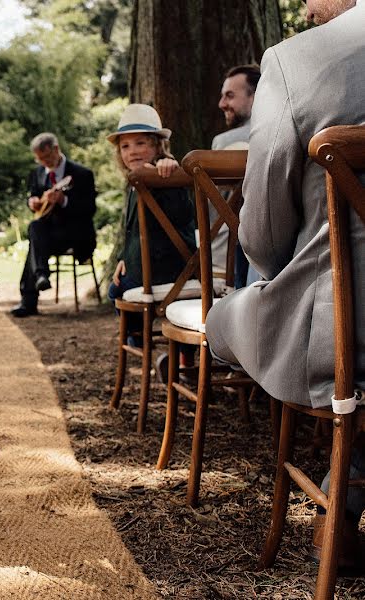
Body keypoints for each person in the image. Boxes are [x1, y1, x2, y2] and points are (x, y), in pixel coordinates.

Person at [205, 0, 364, 565]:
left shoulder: (298, 59)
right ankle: (343, 504)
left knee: (220, 319)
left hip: (343, 337)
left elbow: (265, 238)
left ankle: (338, 504)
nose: (303, 6)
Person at [106, 104, 196, 344]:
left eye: (140, 143)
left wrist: (168, 168)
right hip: (144, 267)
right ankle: (142, 340)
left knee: (114, 292)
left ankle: (137, 340)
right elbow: (133, 231)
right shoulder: (135, 181)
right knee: (116, 286)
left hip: (170, 269)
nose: (132, 151)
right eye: (125, 146)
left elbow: (182, 214)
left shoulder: (164, 173)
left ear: (157, 146)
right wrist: (123, 259)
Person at [10, 132, 97, 317]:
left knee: (35, 243)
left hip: (75, 235)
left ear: (56, 149)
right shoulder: (38, 173)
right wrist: (32, 202)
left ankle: (29, 300)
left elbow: (90, 209)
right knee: (35, 228)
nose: (44, 163)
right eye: (40, 159)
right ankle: (41, 276)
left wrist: (64, 200)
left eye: (47, 157)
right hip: (48, 236)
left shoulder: (82, 174)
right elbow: (33, 196)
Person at [212, 64, 260, 287]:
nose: (222, 104)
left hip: (228, 256)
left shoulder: (225, 142)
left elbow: (215, 217)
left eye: (230, 96)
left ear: (255, 96)